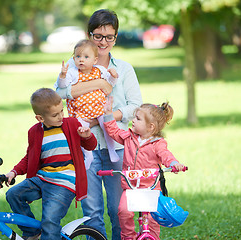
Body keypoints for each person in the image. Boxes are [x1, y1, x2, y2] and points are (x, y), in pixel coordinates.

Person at [55, 9, 143, 240]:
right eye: (98, 36)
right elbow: (60, 94)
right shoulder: (74, 68)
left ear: (115, 37)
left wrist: (106, 118)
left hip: (118, 146)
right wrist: (98, 83)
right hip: (85, 148)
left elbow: (135, 105)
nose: (103, 42)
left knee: (118, 210)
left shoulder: (123, 69)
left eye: (109, 37)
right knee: (92, 212)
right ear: (89, 34)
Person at [4, 88, 97, 240]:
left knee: (50, 221)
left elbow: (91, 146)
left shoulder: (72, 124)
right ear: (40, 118)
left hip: (64, 182)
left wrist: (87, 136)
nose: (61, 116)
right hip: (42, 179)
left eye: (62, 111)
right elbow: (29, 158)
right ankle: (32, 233)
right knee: (14, 194)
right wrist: (13, 172)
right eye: (55, 115)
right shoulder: (34, 132)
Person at [103, 98, 186, 240]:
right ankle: (128, 237)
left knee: (152, 219)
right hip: (131, 187)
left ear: (151, 127)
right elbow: (114, 131)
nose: (133, 121)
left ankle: (152, 237)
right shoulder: (129, 137)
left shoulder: (158, 143)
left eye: (138, 119)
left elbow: (166, 155)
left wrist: (173, 164)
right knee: (123, 211)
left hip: (151, 188)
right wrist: (108, 113)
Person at [56, 39, 119, 169]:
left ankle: (112, 150)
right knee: (82, 133)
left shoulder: (100, 70)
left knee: (107, 126)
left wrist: (114, 76)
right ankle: (88, 155)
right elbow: (62, 87)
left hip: (99, 109)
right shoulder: (73, 72)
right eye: (78, 56)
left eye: (86, 57)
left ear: (95, 60)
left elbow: (110, 84)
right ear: (73, 58)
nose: (81, 60)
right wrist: (62, 76)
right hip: (81, 112)